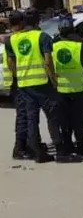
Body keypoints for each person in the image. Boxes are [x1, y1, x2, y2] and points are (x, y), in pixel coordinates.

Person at [5, 8, 79, 163]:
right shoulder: (42, 37)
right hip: (43, 84)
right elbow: (48, 61)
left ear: (24, 22)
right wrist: (54, 80)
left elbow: (11, 63)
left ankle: (38, 153)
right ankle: (61, 152)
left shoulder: (12, 40)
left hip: (24, 85)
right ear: (38, 21)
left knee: (32, 119)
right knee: (54, 117)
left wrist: (19, 78)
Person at [53, 17, 83, 156]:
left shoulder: (53, 45)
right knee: (79, 120)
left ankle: (67, 145)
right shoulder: (79, 46)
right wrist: (80, 37)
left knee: (64, 120)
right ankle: (81, 145)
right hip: (78, 89)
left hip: (60, 89)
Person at [2, 11, 39, 159]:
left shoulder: (10, 39)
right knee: (24, 116)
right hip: (18, 82)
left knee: (23, 116)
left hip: (14, 81)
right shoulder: (15, 39)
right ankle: (20, 148)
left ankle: (27, 145)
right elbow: (14, 63)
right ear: (22, 23)